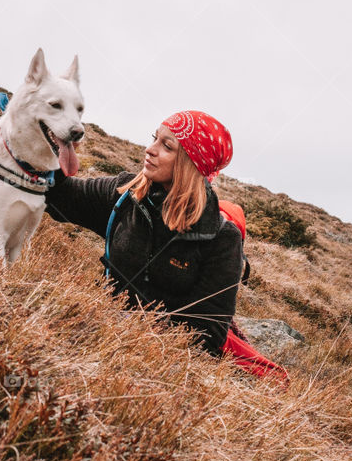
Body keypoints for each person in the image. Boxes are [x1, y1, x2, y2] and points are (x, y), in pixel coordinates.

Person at [44, 110, 244, 357]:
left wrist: (129, 325)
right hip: (94, 336)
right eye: (154, 138)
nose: (150, 149)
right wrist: (50, 147)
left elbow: (207, 337)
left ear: (191, 163)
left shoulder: (223, 239)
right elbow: (60, 197)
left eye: (167, 147)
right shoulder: (128, 193)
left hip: (156, 362)